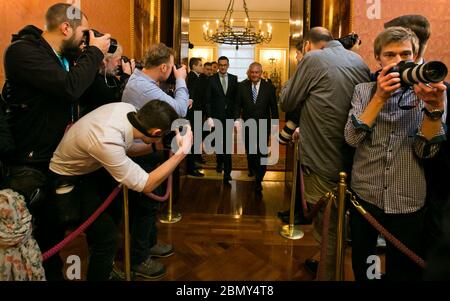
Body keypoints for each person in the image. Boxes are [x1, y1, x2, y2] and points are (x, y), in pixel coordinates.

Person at [1, 3, 111, 280]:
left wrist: (95, 60)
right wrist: (95, 51)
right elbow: (68, 88)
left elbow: (94, 96)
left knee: (58, 234)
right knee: (41, 244)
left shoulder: (64, 58)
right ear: (66, 27)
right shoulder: (23, 52)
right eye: (84, 32)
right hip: (30, 164)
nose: (87, 39)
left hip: (60, 160)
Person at [344, 26, 447, 281]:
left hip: (408, 200)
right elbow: (352, 137)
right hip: (366, 197)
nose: (398, 62)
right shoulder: (363, 91)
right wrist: (379, 97)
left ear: (414, 57)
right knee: (367, 267)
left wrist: (434, 109)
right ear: (378, 58)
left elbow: (427, 152)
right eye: (390, 55)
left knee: (404, 270)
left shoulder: (428, 93)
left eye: (405, 55)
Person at [49, 100, 192, 280]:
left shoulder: (128, 110)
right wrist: (182, 153)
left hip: (91, 169)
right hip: (69, 178)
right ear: (156, 132)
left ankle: (105, 267)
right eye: (161, 136)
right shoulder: (107, 139)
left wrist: (158, 146)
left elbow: (127, 148)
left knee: (110, 223)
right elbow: (146, 184)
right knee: (107, 238)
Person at [280, 27, 370, 280]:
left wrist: (299, 68)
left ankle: (328, 273)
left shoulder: (313, 59)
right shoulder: (358, 60)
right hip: (351, 154)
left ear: (308, 45)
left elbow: (287, 102)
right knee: (340, 221)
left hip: (321, 154)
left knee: (327, 224)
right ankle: (330, 264)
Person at [384, 14, 450, 257]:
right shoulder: (375, 83)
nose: (395, 58)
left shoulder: (440, 87)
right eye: (388, 52)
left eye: (401, 49)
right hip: (384, 194)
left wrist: (434, 109)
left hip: (430, 196)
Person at [234, 62, 278, 193]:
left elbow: (273, 108)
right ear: (249, 72)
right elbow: (237, 105)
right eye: (252, 72)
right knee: (251, 152)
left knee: (262, 153)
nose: (254, 75)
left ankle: (259, 179)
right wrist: (236, 119)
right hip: (247, 126)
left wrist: (275, 126)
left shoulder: (269, 87)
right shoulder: (242, 86)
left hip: (264, 126)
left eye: (256, 72)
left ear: (261, 73)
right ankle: (252, 169)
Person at [121, 43, 189, 117]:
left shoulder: (138, 79)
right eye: (171, 67)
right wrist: (180, 79)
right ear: (163, 67)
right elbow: (181, 110)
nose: (172, 70)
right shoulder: (145, 87)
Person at [205, 56, 238, 184]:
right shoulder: (211, 80)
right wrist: (209, 117)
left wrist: (236, 117)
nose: (223, 67)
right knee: (219, 143)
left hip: (229, 117)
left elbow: (236, 101)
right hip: (216, 117)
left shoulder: (234, 79)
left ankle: (227, 173)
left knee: (227, 145)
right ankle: (219, 163)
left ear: (228, 65)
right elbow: (207, 100)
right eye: (221, 65)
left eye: (225, 65)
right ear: (218, 66)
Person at [79, 44, 135, 115]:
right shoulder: (95, 80)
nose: (118, 64)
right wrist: (126, 76)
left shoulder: (111, 77)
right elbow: (117, 102)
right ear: (105, 61)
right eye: (117, 60)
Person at [186, 57, 206, 177]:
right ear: (193, 66)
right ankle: (191, 167)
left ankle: (193, 162)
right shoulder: (192, 78)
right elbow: (192, 95)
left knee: (196, 139)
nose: (202, 67)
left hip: (197, 112)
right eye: (200, 65)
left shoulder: (197, 77)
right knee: (193, 140)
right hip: (194, 113)